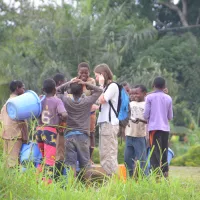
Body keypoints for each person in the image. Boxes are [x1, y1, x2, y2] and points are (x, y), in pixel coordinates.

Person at [56, 79, 102, 179]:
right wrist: (86, 84)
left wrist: (69, 83)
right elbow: (99, 90)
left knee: (70, 163)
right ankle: (88, 187)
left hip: (69, 136)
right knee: (85, 164)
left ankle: (71, 187)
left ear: (71, 91)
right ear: (82, 91)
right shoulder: (87, 101)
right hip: (83, 136)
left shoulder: (66, 101)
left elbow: (57, 90)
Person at [35, 79, 67, 178]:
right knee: (50, 159)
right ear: (54, 90)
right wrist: (62, 121)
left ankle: (36, 179)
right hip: (50, 132)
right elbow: (64, 114)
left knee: (42, 157)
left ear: (43, 89)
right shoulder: (57, 101)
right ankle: (47, 184)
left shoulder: (39, 100)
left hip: (39, 130)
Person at [144, 77, 173, 178]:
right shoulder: (168, 98)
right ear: (164, 86)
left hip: (154, 128)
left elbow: (146, 115)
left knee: (154, 151)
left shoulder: (149, 97)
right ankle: (165, 173)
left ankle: (155, 174)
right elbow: (170, 116)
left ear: (153, 85)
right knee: (164, 150)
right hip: (165, 128)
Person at [94, 63, 120, 175]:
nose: (95, 78)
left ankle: (112, 182)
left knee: (108, 155)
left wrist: (100, 86)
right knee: (104, 153)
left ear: (102, 75)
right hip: (104, 124)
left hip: (109, 124)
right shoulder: (106, 87)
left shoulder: (112, 86)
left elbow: (102, 100)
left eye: (97, 76)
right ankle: (111, 181)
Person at [71, 62, 98, 161]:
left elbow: (94, 94)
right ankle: (77, 158)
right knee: (77, 133)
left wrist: (85, 84)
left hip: (89, 111)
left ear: (89, 72)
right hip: (77, 113)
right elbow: (69, 93)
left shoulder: (92, 81)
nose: (84, 75)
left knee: (90, 133)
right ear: (78, 72)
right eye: (81, 73)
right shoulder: (74, 80)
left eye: (86, 73)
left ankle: (89, 158)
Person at [0, 80, 28, 168]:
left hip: (5, 135)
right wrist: (26, 137)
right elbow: (23, 123)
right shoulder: (18, 103)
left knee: (7, 162)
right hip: (15, 136)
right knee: (14, 163)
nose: (24, 90)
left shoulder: (7, 103)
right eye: (23, 88)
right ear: (17, 88)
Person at [124, 85, 147, 177]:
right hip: (129, 135)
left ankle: (144, 179)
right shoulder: (130, 104)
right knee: (127, 160)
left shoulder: (146, 104)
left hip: (140, 136)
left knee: (142, 160)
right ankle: (130, 179)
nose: (134, 96)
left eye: (137, 93)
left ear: (144, 94)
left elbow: (150, 120)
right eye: (132, 94)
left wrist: (140, 120)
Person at [53, 73, 67, 177]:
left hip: (49, 130)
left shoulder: (46, 97)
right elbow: (62, 114)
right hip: (59, 129)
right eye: (64, 82)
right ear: (59, 83)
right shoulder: (59, 98)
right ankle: (58, 179)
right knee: (60, 154)